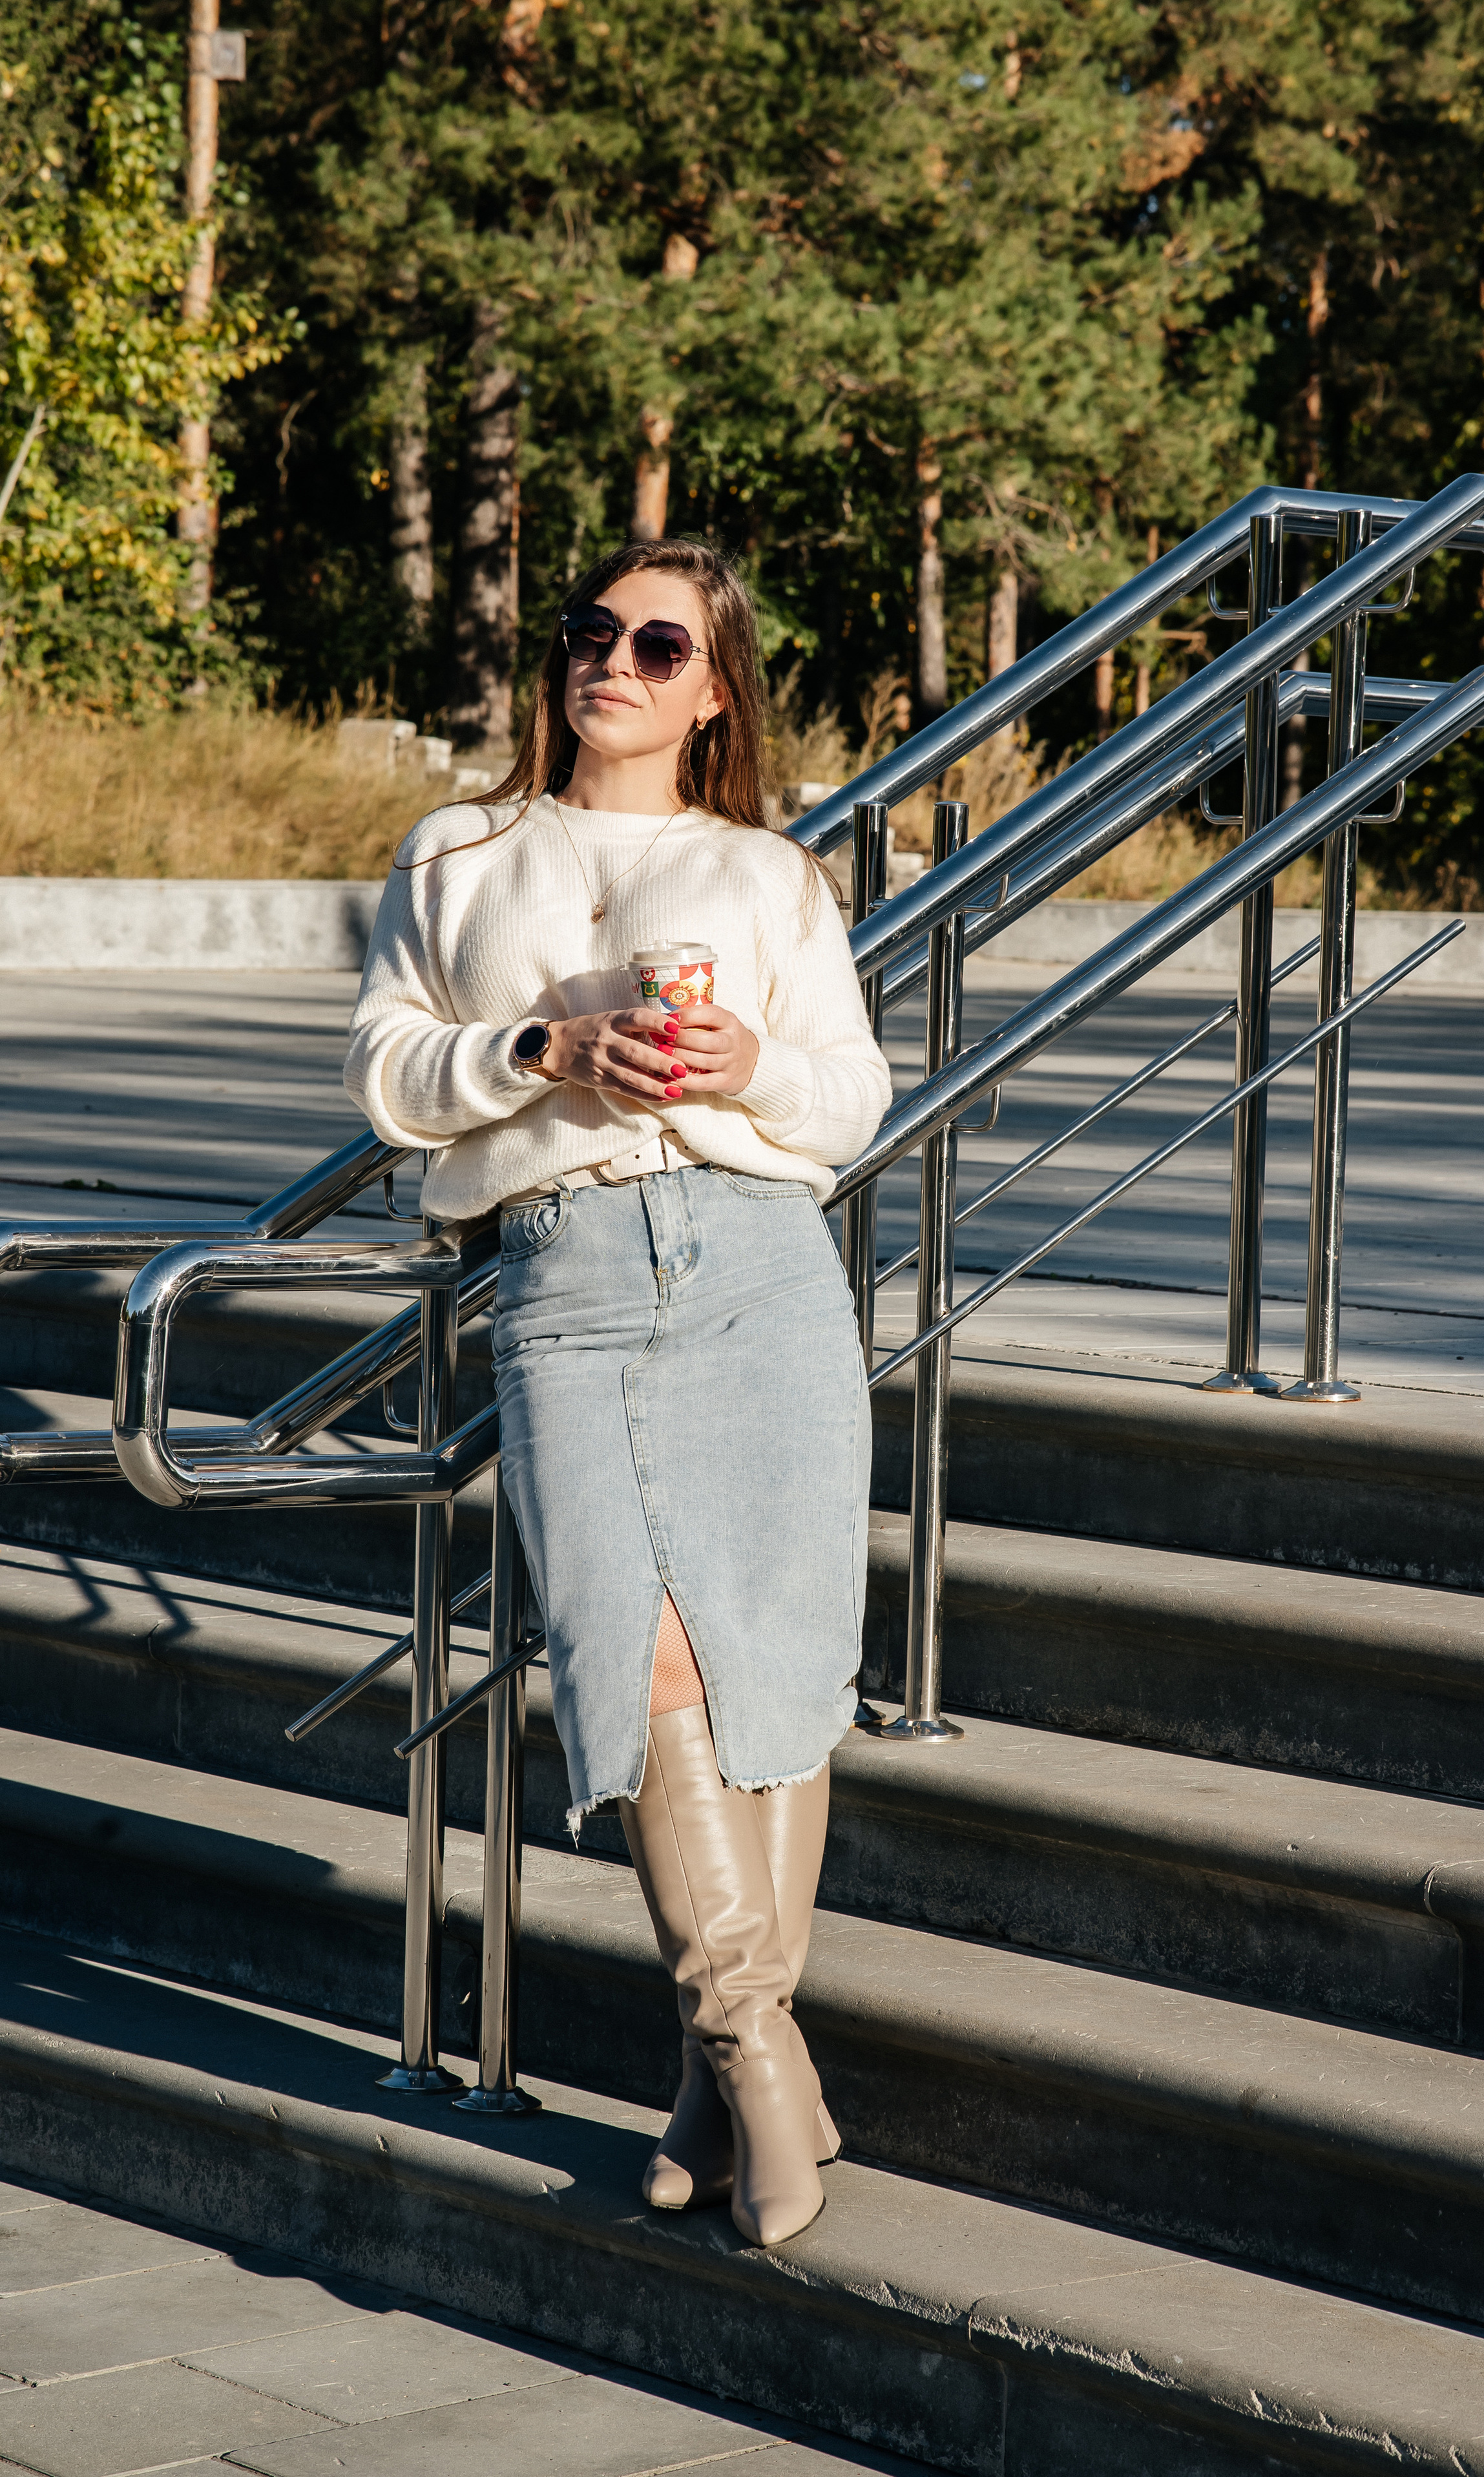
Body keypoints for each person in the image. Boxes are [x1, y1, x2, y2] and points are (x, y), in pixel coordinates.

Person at [344, 539, 892, 2248]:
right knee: (634, 1644)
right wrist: (531, 1052)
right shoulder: (462, 848)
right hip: (570, 1272)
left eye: (661, 645)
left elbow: (851, 1096)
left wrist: (749, 1066)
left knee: (776, 1666)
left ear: (712, 685)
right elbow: (382, 1071)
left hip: (758, 1266)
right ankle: (762, 2051)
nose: (618, 664)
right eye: (593, 634)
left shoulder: (768, 873)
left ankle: (707, 2088)